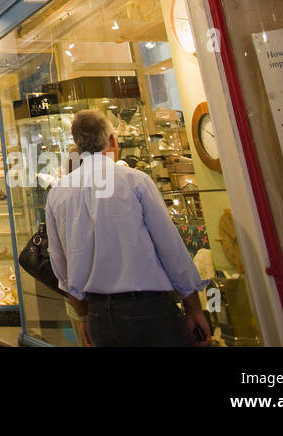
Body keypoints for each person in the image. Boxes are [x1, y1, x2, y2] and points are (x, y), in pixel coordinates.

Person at [44, 109, 212, 347]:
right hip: (148, 311)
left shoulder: (58, 194)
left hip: (99, 314)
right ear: (112, 140)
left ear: (77, 144)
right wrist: (193, 307)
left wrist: (84, 315)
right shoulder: (135, 181)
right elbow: (171, 249)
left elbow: (61, 266)